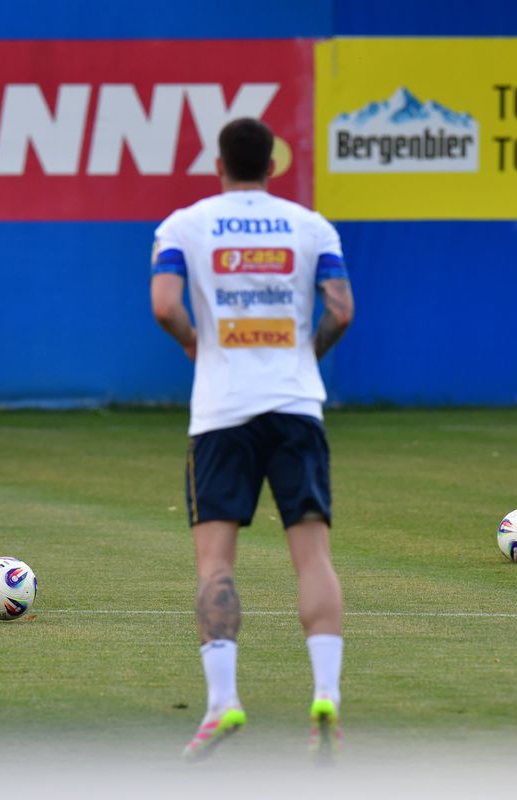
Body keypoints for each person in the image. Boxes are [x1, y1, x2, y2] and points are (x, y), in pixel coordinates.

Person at [150, 118, 355, 762]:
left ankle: (222, 702)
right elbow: (342, 308)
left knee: (216, 564)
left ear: (220, 163)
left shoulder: (183, 224)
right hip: (296, 404)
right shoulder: (310, 226)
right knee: (313, 557)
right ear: (273, 164)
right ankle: (326, 696)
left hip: (222, 410)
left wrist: (194, 342)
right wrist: (307, 359)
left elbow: (164, 304)